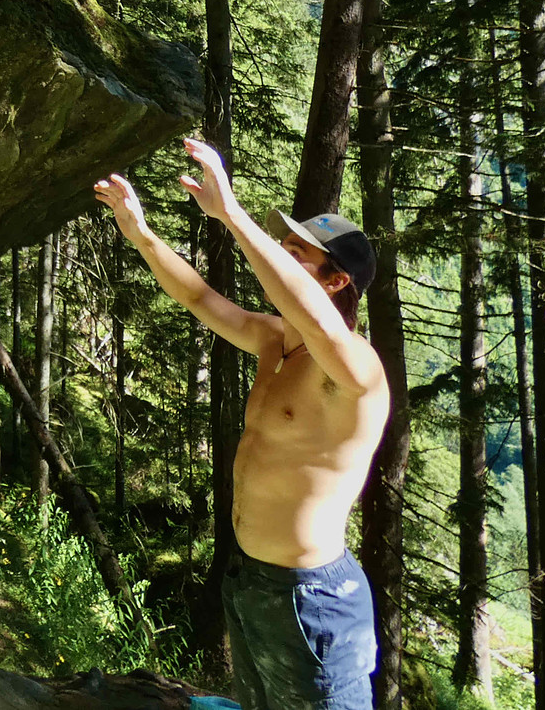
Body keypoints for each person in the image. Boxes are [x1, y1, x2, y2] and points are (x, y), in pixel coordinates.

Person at [95, 138, 387, 710]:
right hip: (251, 580)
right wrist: (141, 233)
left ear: (335, 282)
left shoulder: (355, 368)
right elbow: (198, 297)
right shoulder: (273, 339)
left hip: (314, 598)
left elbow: (318, 323)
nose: (278, 258)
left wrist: (231, 213)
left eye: (295, 254)